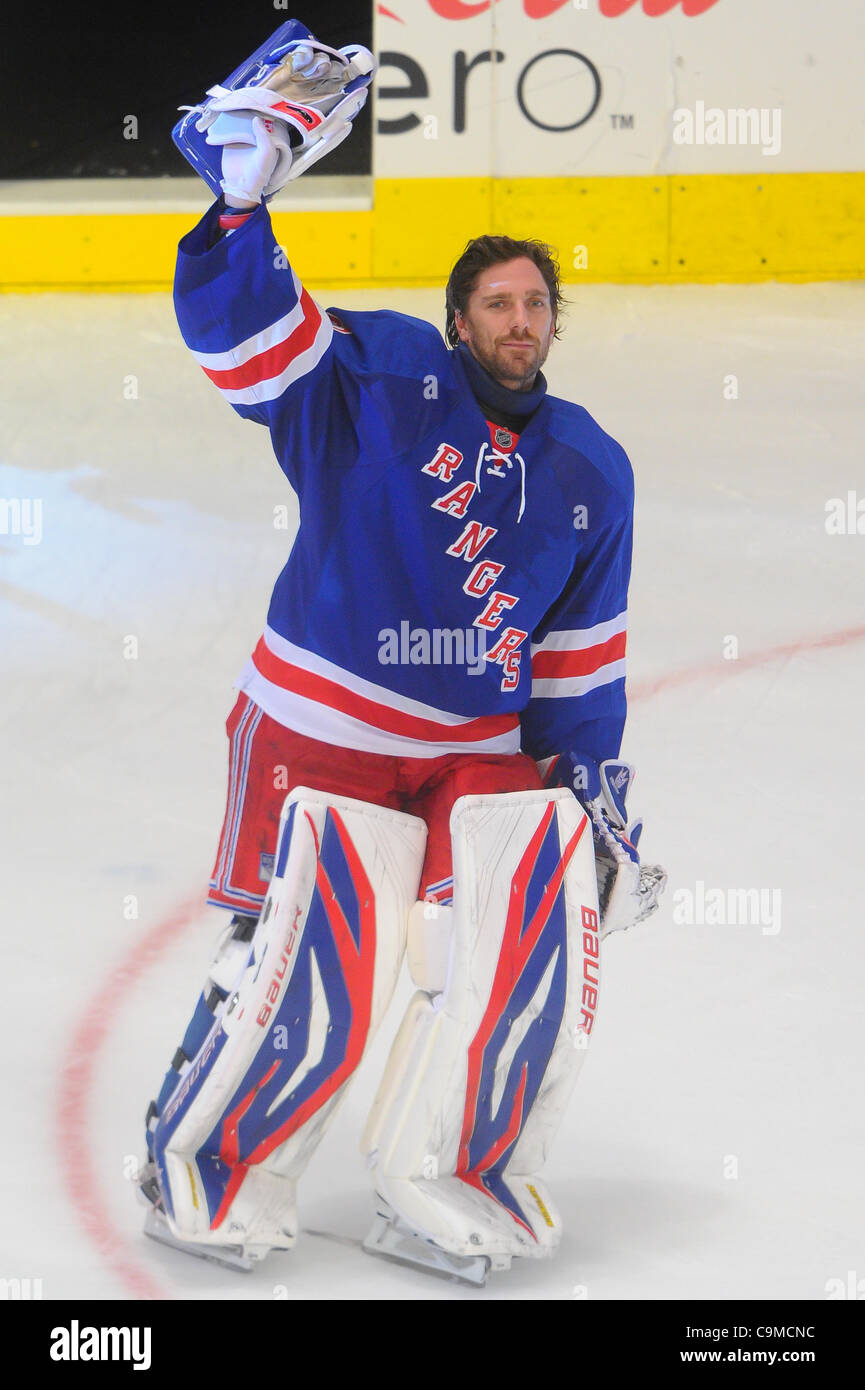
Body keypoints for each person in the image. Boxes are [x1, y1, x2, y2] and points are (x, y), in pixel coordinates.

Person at [139, 23, 664, 1284]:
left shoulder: (590, 467)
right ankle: (206, 1169)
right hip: (323, 723)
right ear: (458, 319)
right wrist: (237, 210)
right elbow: (246, 344)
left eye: (539, 302)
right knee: (302, 951)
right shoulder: (375, 374)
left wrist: (591, 788)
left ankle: (452, 1169)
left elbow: (578, 665)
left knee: (530, 917)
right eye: (499, 302)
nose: (521, 320)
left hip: (471, 751)